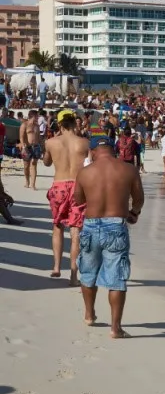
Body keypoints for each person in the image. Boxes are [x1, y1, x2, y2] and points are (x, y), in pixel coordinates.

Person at [73, 135, 144, 338]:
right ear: (113, 150)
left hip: (91, 225)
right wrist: (134, 213)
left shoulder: (85, 172)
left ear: (93, 151)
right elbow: (139, 199)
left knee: (88, 273)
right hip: (116, 225)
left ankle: (89, 314)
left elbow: (78, 200)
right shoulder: (128, 169)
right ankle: (115, 328)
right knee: (116, 279)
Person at [42, 110, 90, 283]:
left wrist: (50, 147)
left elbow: (46, 162)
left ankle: (56, 267)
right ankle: (73, 275)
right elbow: (89, 166)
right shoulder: (84, 143)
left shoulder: (51, 142)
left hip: (59, 186)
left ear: (60, 124)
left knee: (57, 226)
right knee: (75, 230)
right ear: (75, 123)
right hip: (78, 187)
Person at [21, 109, 42, 190]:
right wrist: (23, 147)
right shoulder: (24, 125)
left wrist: (42, 147)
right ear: (33, 116)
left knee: (34, 164)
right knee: (26, 166)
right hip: (27, 147)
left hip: (36, 146)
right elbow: (21, 137)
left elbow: (39, 137)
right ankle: (27, 182)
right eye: (37, 116)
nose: (38, 117)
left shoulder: (37, 125)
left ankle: (33, 185)